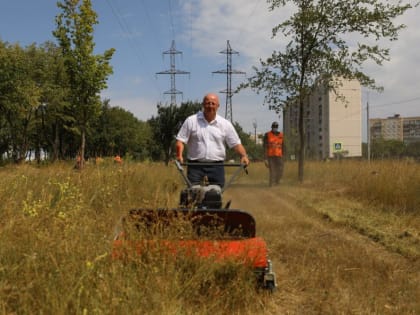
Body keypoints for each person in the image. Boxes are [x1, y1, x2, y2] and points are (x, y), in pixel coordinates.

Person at [175, 93, 249, 187]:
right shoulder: (191, 121)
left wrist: (243, 156)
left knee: (216, 194)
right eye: (208, 103)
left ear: (218, 106)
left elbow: (236, 144)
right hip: (195, 166)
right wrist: (179, 155)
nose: (210, 106)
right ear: (203, 105)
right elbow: (180, 141)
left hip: (217, 167)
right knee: (193, 193)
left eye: (213, 103)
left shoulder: (225, 124)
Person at [263, 121, 284, 186]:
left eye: (276, 127)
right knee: (272, 170)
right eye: (274, 127)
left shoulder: (281, 135)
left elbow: (283, 146)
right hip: (270, 156)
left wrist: (284, 156)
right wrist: (265, 158)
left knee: (280, 170)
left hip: (279, 156)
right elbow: (265, 147)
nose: (275, 128)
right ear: (272, 127)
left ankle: (277, 181)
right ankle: (271, 184)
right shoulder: (267, 135)